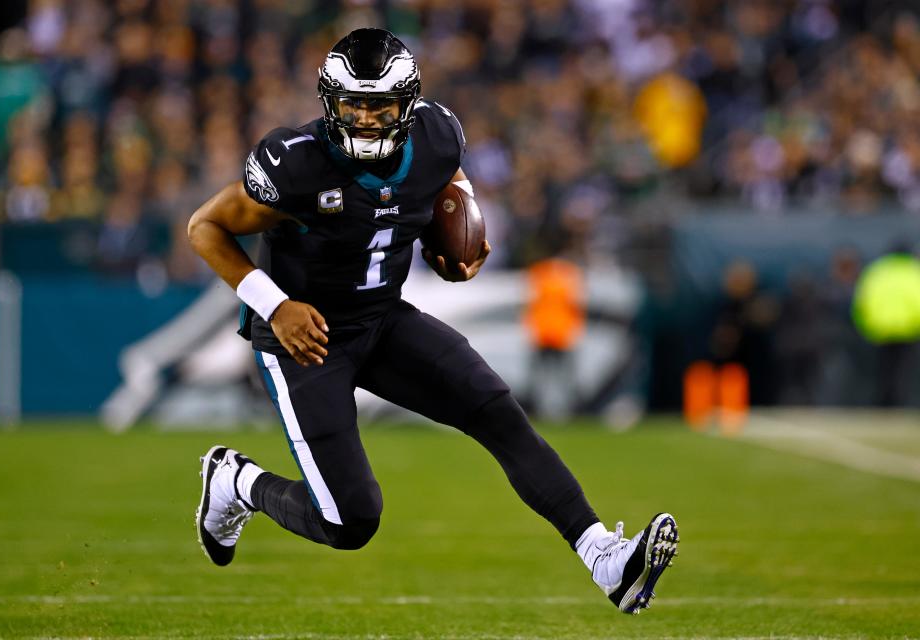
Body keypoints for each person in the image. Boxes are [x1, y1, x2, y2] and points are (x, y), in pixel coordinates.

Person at [188, 28, 678, 614]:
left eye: (381, 105)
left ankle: (603, 557)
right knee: (351, 519)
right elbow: (205, 226)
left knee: (496, 410)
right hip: (304, 337)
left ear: (409, 104)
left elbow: (446, 184)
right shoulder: (294, 162)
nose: (366, 119)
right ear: (329, 101)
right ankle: (235, 482)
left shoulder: (438, 136)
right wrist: (276, 305)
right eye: (354, 104)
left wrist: (460, 239)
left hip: (383, 319)